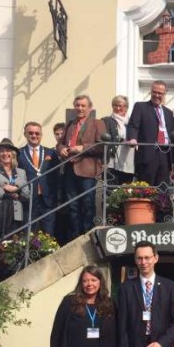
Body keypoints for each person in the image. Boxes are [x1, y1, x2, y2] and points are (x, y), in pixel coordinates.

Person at [58, 94, 106, 239]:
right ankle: (75, 237)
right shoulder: (69, 124)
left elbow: (102, 146)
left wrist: (82, 148)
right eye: (77, 105)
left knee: (87, 204)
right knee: (72, 206)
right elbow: (59, 143)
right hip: (69, 170)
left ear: (89, 108)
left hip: (87, 170)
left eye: (83, 106)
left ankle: (88, 236)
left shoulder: (97, 123)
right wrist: (61, 149)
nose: (79, 108)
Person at [127, 80, 174, 187]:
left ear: (164, 94)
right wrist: (133, 138)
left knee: (162, 187)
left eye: (160, 93)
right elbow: (133, 125)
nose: (156, 95)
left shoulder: (168, 112)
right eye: (154, 92)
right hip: (148, 153)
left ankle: (161, 204)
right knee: (146, 188)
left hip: (165, 154)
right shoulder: (140, 107)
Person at [18, 121, 57, 236]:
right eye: (30, 133)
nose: (34, 136)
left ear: (41, 135)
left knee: (49, 233)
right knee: (29, 233)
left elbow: (57, 176)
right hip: (29, 199)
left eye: (37, 133)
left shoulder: (51, 152)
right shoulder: (19, 153)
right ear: (25, 134)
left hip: (48, 199)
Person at [101, 95, 135, 186]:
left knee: (126, 189)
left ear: (126, 108)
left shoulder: (132, 121)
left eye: (121, 106)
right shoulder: (106, 121)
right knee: (111, 188)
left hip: (129, 159)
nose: (118, 108)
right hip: (112, 160)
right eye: (115, 105)